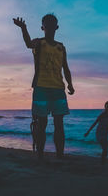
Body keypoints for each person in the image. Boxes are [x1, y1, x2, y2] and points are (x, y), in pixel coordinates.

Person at [13, 14, 75, 159]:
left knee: (59, 123)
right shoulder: (39, 43)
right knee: (42, 123)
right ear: (43, 28)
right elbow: (28, 43)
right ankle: (40, 155)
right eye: (47, 25)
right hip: (41, 87)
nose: (49, 28)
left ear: (57, 27)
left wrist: (70, 84)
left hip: (58, 89)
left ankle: (60, 156)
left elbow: (65, 68)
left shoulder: (61, 47)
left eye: (52, 25)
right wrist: (23, 28)